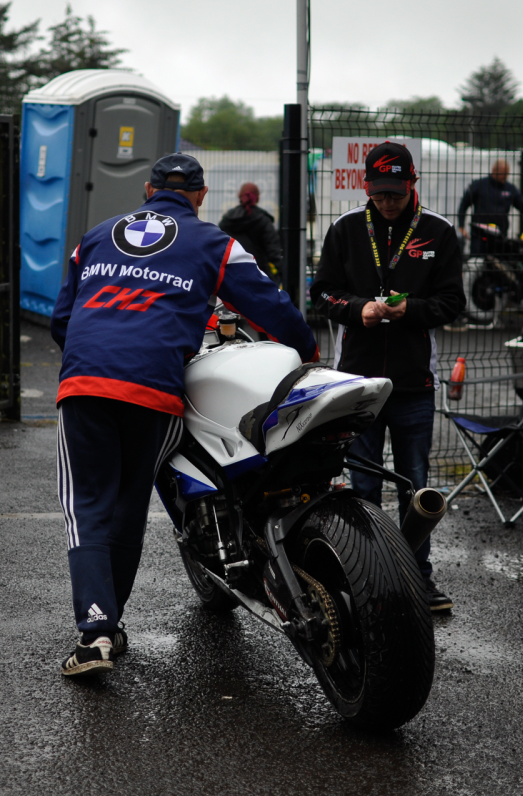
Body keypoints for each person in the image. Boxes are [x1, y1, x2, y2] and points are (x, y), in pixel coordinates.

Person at [51, 153, 317, 676]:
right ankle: (111, 625)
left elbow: (63, 319)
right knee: (128, 507)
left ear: (148, 192)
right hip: (155, 390)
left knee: (87, 506)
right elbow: (271, 305)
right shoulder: (214, 242)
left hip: (87, 384)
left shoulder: (98, 235)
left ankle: (95, 635)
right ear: (199, 196)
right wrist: (305, 349)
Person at [311, 141, 464, 612]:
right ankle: (368, 581)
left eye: (396, 193)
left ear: (412, 184)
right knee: (362, 486)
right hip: (356, 386)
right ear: (366, 187)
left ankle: (419, 579)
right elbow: (322, 297)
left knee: (414, 484)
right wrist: (361, 310)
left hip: (413, 383)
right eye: (379, 194)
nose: (388, 202)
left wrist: (406, 310)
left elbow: (453, 303)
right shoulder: (345, 230)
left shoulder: (438, 232)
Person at [218, 182, 284, 286]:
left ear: (240, 196)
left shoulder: (227, 220)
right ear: (257, 198)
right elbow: (274, 251)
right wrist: (280, 273)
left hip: (231, 275)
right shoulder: (264, 220)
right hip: (258, 276)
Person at [457, 159, 523, 255]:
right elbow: (464, 205)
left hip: (500, 237)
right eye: (503, 173)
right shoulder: (479, 185)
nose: (506, 176)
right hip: (480, 236)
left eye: (507, 173)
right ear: (494, 170)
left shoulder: (510, 189)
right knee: (477, 262)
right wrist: (461, 226)